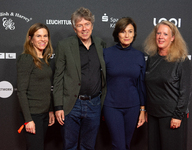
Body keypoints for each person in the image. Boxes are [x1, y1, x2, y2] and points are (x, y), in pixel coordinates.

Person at [53, 7, 106, 150]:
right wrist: (58, 107)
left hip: (94, 104)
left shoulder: (100, 44)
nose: (84, 28)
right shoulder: (64, 45)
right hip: (71, 104)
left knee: (88, 146)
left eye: (87, 24)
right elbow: (58, 78)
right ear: (74, 28)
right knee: (69, 146)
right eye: (79, 25)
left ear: (92, 26)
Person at [144, 20, 191, 150]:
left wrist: (177, 115)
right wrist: (147, 110)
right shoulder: (152, 58)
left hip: (171, 116)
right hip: (153, 115)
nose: (160, 37)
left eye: (165, 34)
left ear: (173, 38)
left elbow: (185, 91)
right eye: (158, 33)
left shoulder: (181, 60)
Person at [103, 17, 146, 150]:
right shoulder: (106, 53)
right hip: (112, 106)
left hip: (133, 107)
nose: (126, 35)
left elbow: (141, 84)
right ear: (117, 34)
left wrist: (143, 109)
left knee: (127, 144)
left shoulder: (139, 56)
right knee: (119, 145)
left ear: (134, 34)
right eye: (123, 31)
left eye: (130, 31)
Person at [17, 23, 55, 150]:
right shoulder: (27, 59)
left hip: (44, 114)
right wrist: (28, 119)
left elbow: (46, 88)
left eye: (45, 36)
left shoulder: (45, 60)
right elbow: (21, 91)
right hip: (33, 115)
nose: (43, 39)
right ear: (30, 39)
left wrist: (50, 110)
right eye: (38, 36)